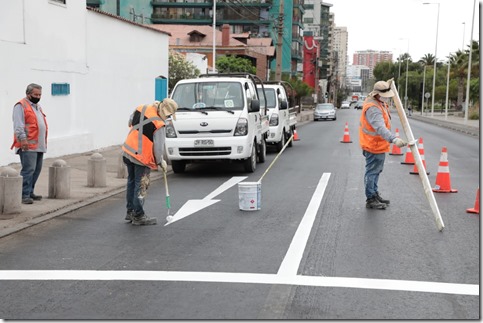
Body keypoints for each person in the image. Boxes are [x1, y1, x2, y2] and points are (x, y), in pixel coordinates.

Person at [122, 98, 178, 225]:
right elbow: (158, 149)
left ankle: (130, 211)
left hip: (128, 150)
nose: (168, 118)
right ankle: (138, 215)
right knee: (141, 185)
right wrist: (160, 162)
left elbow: (130, 122)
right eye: (169, 115)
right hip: (141, 158)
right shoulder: (159, 124)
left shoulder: (142, 107)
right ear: (165, 111)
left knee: (131, 182)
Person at [359, 80, 407, 209]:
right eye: (384, 96)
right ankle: (371, 198)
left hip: (378, 144)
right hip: (373, 145)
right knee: (372, 172)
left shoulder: (378, 102)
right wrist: (393, 139)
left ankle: (374, 194)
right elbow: (380, 127)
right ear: (377, 94)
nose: (386, 98)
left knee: (376, 171)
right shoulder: (373, 108)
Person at [11, 83, 48, 205]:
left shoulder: (37, 106)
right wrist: (23, 140)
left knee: (36, 170)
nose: (38, 96)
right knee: (28, 170)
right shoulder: (20, 106)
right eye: (35, 94)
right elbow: (18, 125)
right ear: (28, 94)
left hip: (39, 145)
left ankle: (30, 191)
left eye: (40, 94)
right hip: (28, 144)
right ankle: (24, 194)